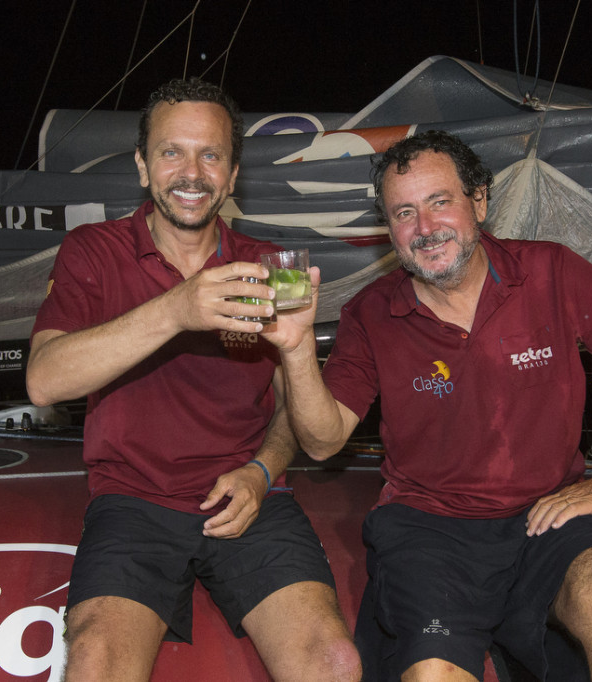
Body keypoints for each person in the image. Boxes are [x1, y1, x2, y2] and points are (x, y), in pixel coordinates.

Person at [266, 130, 592, 681]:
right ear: (387, 229)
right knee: (432, 671)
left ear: (478, 200)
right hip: (430, 535)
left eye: (439, 202)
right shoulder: (369, 313)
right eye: (404, 212)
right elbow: (323, 438)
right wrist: (296, 352)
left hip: (549, 517)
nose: (425, 229)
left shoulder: (551, 272)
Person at [26, 78, 361, 682]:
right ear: (141, 164)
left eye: (211, 155)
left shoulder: (266, 267)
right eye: (171, 151)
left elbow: (301, 421)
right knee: (97, 660)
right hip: (132, 500)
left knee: (334, 662)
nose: (192, 172)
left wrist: (262, 471)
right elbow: (45, 381)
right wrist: (176, 310)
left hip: (249, 498)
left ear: (232, 175)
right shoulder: (91, 252)